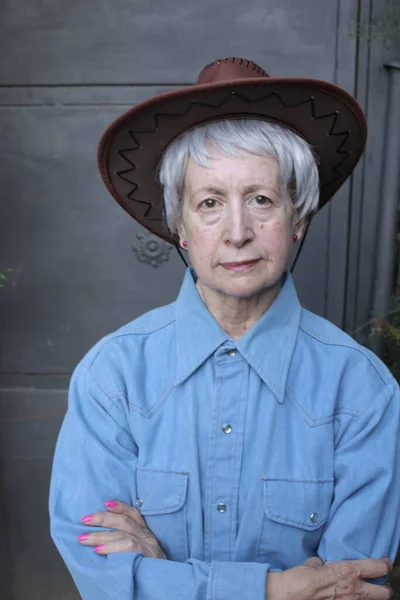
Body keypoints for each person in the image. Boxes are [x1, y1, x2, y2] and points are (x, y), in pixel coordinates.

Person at [49, 57, 399, 600]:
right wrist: (274, 589)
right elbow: (99, 575)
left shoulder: (362, 389)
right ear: (182, 228)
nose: (237, 232)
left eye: (261, 200)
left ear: (298, 217)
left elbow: (351, 588)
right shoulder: (112, 375)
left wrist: (161, 578)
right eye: (209, 203)